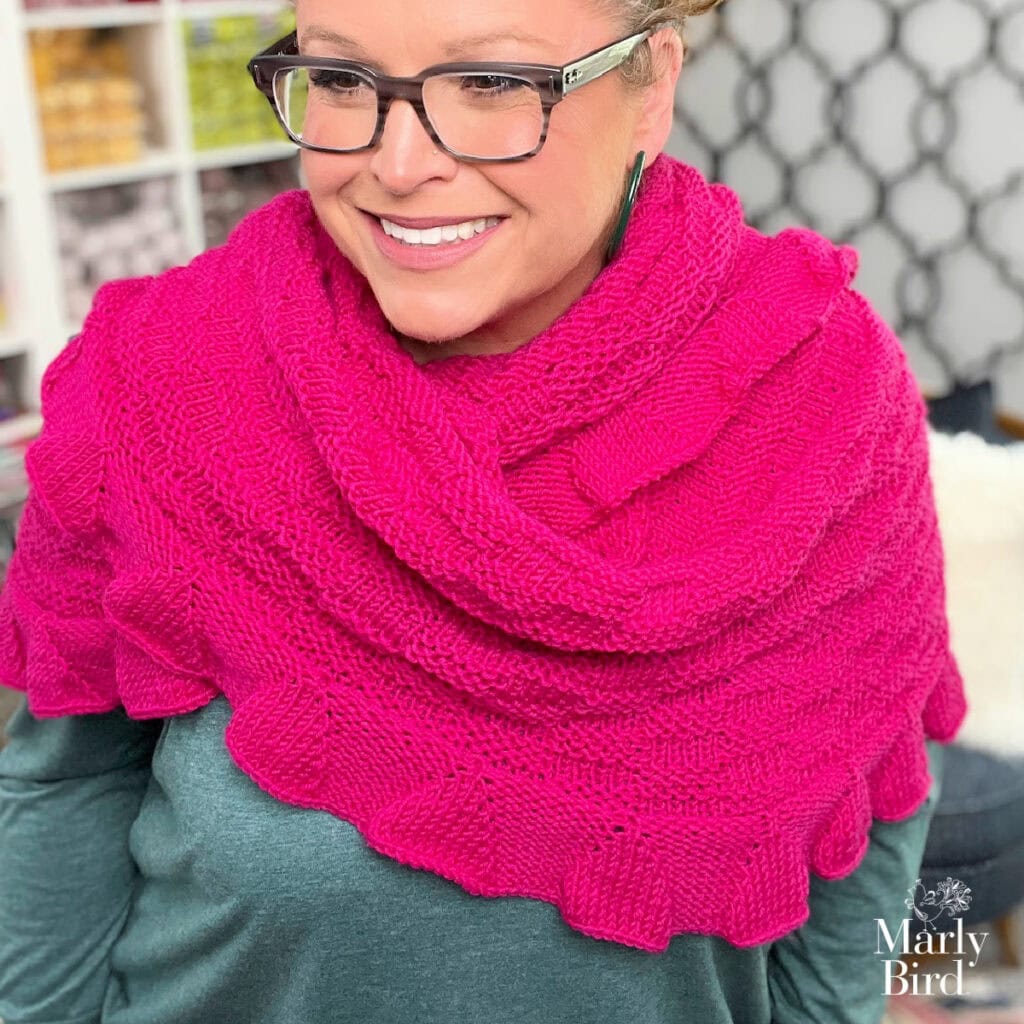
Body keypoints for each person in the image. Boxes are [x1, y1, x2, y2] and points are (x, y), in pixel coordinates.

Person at [0, 1, 967, 1022]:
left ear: (654, 83)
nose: (400, 161)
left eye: (495, 86)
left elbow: (875, 788)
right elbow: (66, 786)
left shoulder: (818, 394)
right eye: (340, 80)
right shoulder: (168, 381)